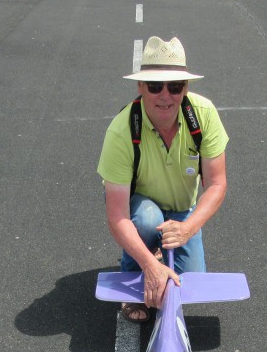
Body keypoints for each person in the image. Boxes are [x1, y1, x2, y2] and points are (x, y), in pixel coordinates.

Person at [97, 36, 229, 323]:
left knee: (192, 277)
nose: (165, 96)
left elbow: (217, 184)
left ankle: (158, 250)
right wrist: (150, 266)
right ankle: (136, 269)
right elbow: (117, 215)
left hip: (182, 210)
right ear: (140, 87)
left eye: (175, 86)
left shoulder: (204, 115)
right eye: (155, 86)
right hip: (140, 207)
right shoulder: (121, 131)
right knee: (146, 220)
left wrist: (187, 229)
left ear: (186, 87)